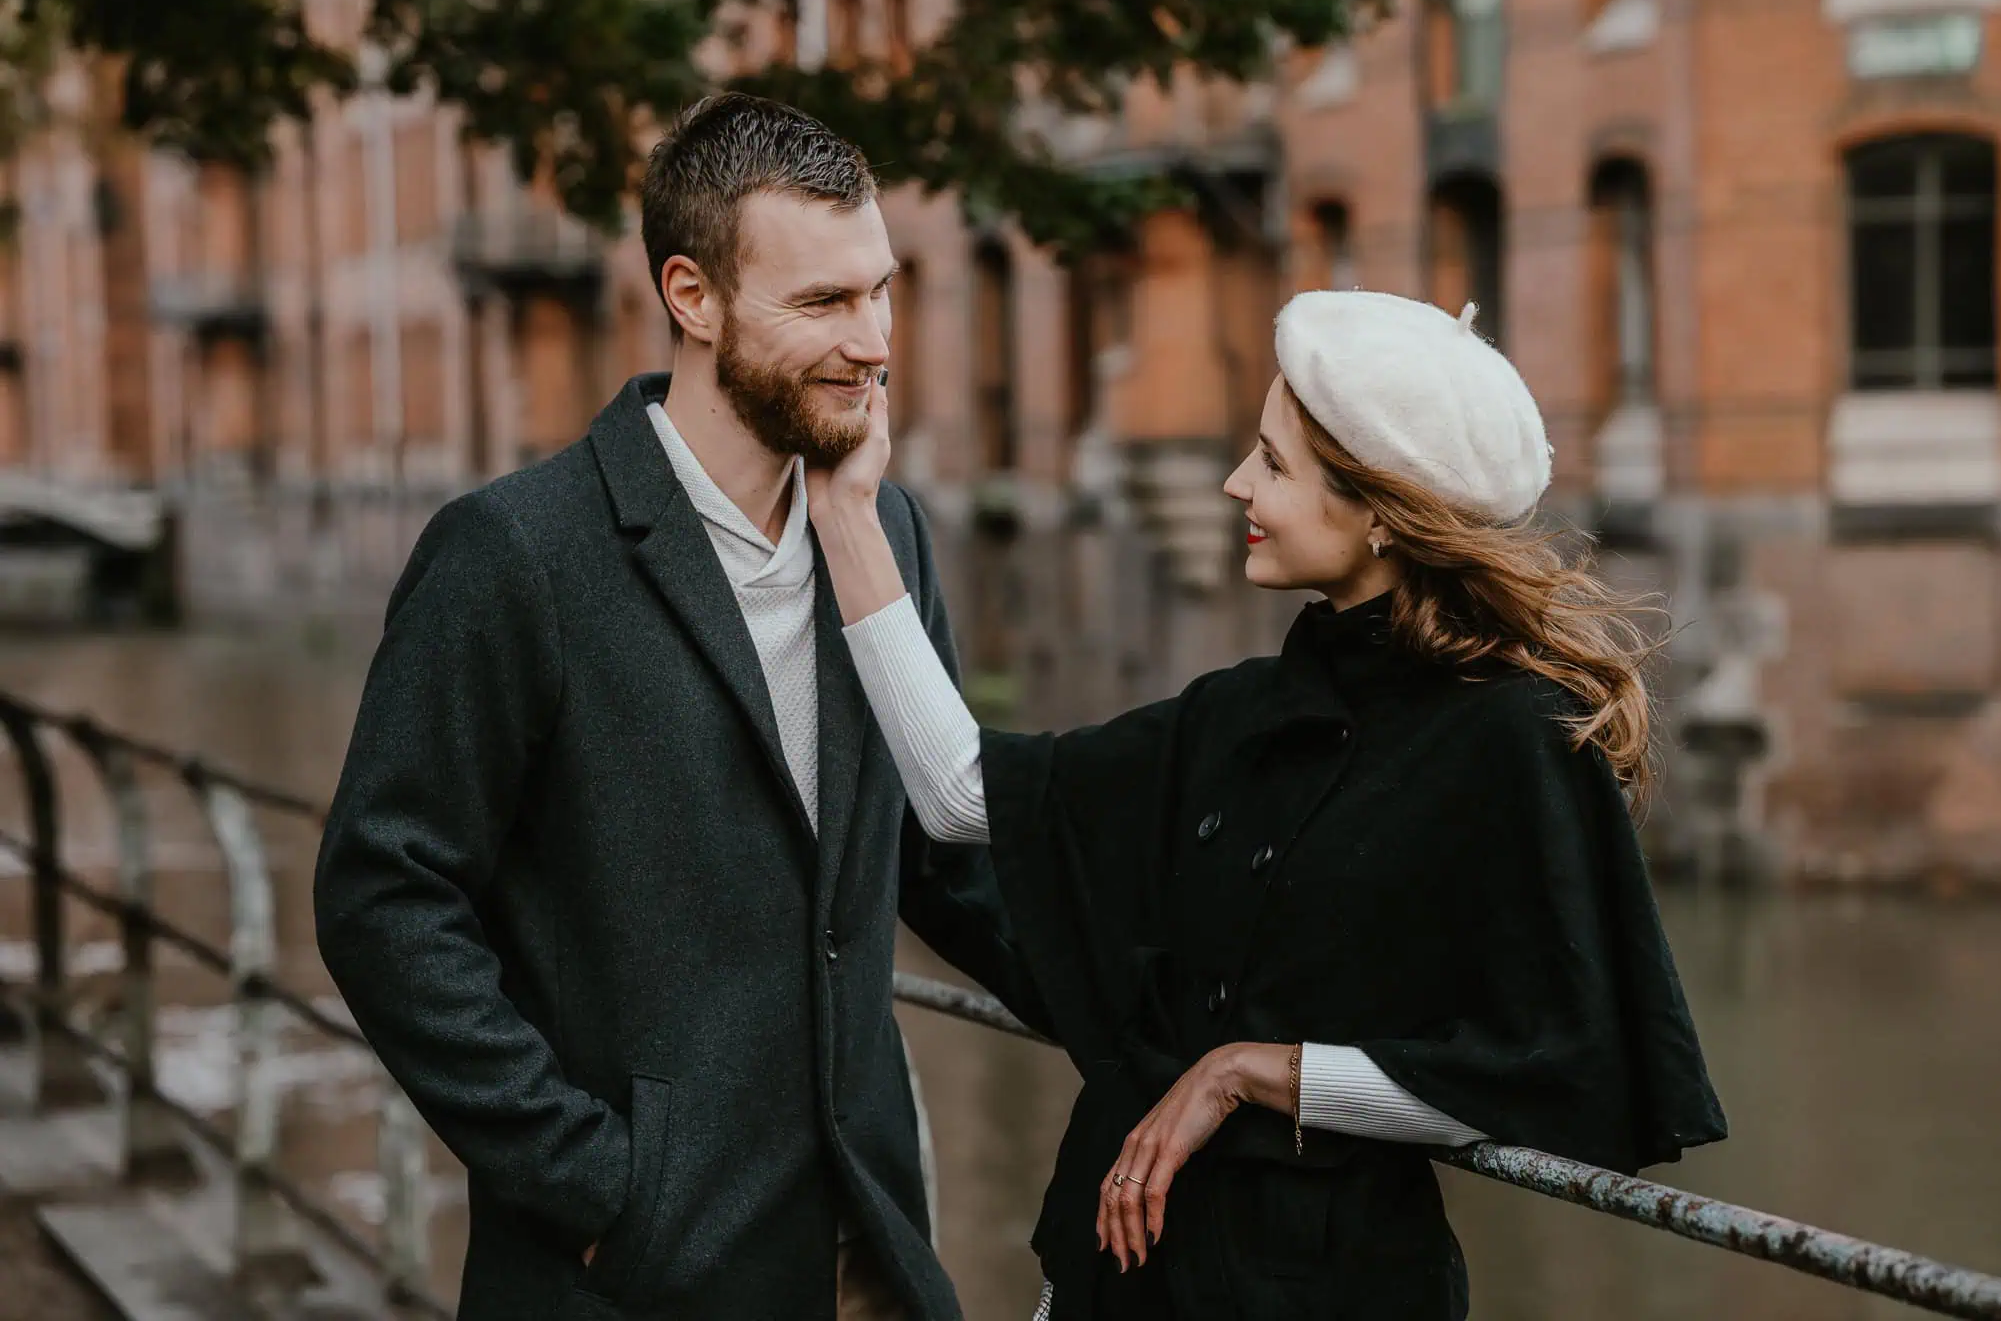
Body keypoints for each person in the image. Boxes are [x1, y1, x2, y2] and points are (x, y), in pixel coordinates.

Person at [805, 288, 1728, 1319]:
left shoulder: (1512, 738)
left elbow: (1560, 1067)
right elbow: (963, 797)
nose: (1238, 481)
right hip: (1113, 1279)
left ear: (1382, 511)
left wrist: (1251, 1073)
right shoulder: (1246, 712)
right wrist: (846, 515)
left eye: (1276, 465)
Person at [314, 94, 1036, 1321]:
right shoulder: (514, 555)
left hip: (871, 1258)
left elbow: (937, 848)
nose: (872, 342)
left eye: (881, 291)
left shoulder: (887, 529)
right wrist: (596, 1189)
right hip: (633, 1275)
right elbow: (384, 896)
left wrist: (1178, 1024)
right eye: (821, 304)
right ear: (692, 297)